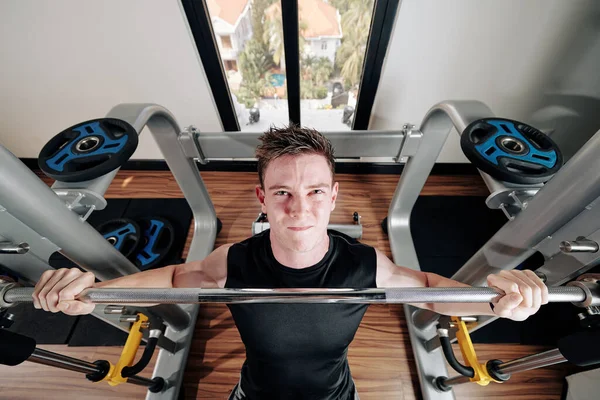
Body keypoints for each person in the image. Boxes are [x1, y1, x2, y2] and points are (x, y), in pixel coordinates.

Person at [32, 126, 549, 400]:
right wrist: (94, 291)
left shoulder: (365, 264)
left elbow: (432, 287)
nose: (299, 208)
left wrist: (496, 298)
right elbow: (170, 277)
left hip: (337, 394)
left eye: (315, 191)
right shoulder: (231, 262)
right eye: (282, 192)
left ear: (333, 195)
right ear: (261, 197)